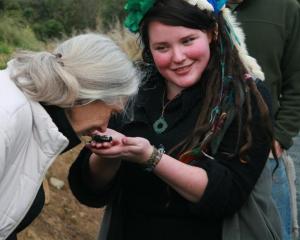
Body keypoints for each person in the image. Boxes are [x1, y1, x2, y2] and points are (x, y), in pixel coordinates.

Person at [68, 1, 282, 239]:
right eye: (162, 47)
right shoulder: (130, 89)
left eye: (188, 41)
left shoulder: (246, 97)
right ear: (148, 47)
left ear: (212, 32)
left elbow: (226, 195)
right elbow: (88, 191)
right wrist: (108, 153)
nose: (178, 57)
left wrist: (151, 157)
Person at [0, 33, 140, 240]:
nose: (104, 129)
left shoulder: (32, 117)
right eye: (111, 113)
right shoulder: (7, 116)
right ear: (92, 91)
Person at [226, 0, 300, 239]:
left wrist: (280, 136)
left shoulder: (286, 8)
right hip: (202, 153)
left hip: (265, 154)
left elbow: (297, 80)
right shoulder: (193, 4)